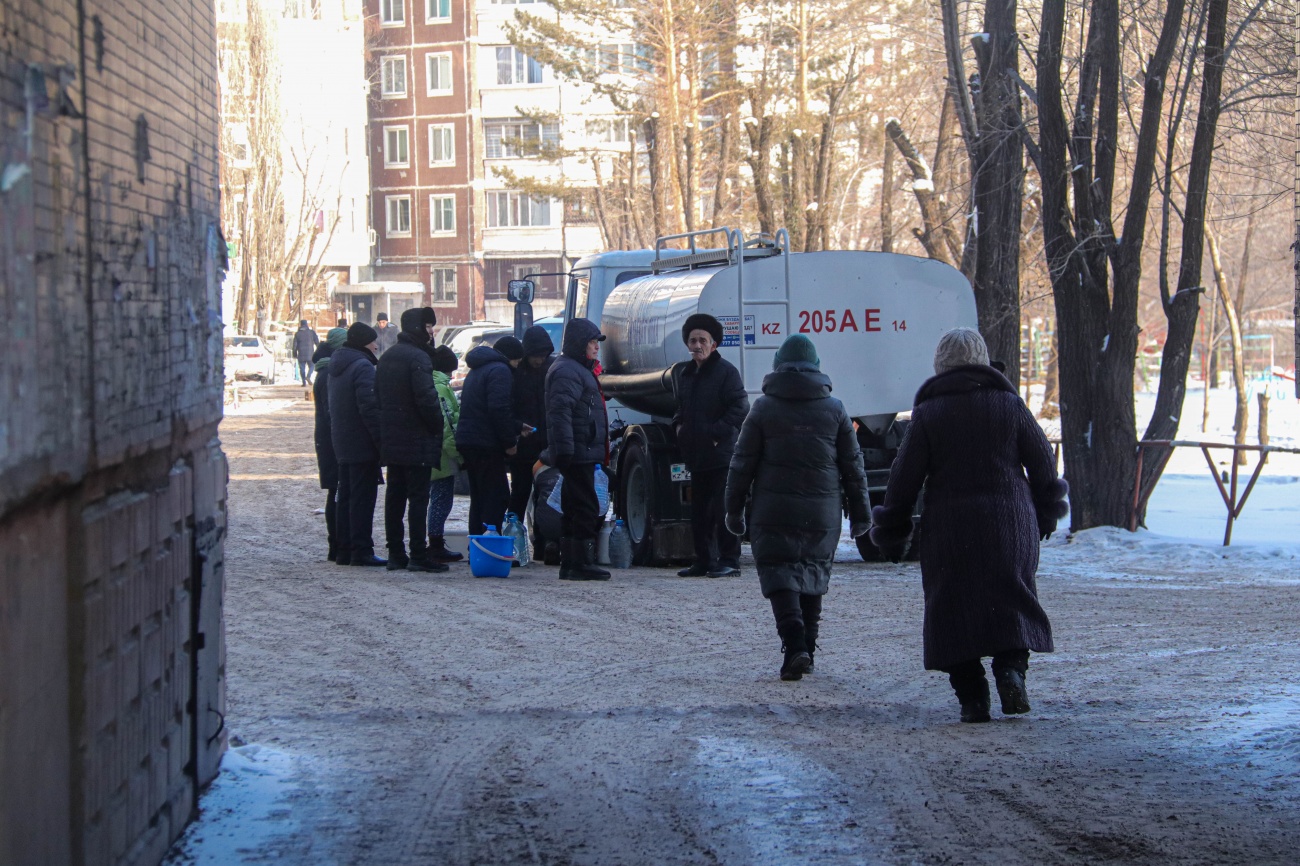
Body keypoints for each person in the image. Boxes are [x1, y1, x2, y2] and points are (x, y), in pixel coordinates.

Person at [870, 327, 1068, 723]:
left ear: (940, 365)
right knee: (1012, 596)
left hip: (951, 526)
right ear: (983, 360)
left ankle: (972, 696)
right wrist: (1046, 510)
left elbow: (904, 476)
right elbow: (1044, 460)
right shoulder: (1009, 404)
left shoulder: (929, 413)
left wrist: (892, 528)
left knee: (951, 607)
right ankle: (1011, 669)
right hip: (1010, 522)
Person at [724, 334, 870, 681]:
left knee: (780, 574)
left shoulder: (763, 409)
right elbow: (854, 467)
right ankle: (809, 648)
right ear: (816, 368)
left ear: (778, 367)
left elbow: (741, 464)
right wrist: (862, 514)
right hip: (823, 513)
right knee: (814, 573)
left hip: (772, 511)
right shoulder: (835, 410)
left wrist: (733, 509)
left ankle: (795, 646)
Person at [673, 313, 750, 578]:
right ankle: (703, 560)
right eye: (692, 340)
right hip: (697, 455)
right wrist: (679, 427)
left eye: (702, 340)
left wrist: (716, 433)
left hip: (720, 454)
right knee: (700, 513)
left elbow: (740, 407)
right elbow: (681, 407)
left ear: (714, 344)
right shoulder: (686, 373)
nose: (697, 345)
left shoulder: (726, 372)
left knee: (723, 509)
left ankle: (729, 560)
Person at [375, 307, 446, 573]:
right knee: (418, 497)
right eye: (428, 326)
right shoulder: (418, 359)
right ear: (418, 328)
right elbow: (426, 400)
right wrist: (436, 426)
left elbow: (378, 397)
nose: (431, 332)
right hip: (417, 439)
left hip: (392, 439)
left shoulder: (388, 356)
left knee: (395, 496)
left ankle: (396, 554)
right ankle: (418, 554)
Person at [542, 318, 611, 581]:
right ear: (579, 344)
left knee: (574, 505)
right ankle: (581, 562)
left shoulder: (575, 369)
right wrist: (567, 451)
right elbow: (561, 413)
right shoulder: (569, 371)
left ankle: (571, 563)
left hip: (579, 449)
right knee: (585, 506)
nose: (596, 348)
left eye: (596, 343)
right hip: (578, 451)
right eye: (592, 342)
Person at [456, 335, 530, 536]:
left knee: (479, 497)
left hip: (470, 440)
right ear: (512, 357)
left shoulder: (479, 368)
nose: (518, 365)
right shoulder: (500, 370)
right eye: (518, 360)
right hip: (486, 444)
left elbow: (482, 409)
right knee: (496, 496)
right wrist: (509, 442)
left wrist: (516, 426)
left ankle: (478, 546)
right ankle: (491, 545)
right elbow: (498, 408)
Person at [329, 322, 386, 567]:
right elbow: (369, 408)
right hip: (362, 443)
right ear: (366, 343)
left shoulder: (337, 365)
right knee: (362, 498)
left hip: (342, 441)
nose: (376, 345)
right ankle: (361, 550)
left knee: (347, 497)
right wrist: (380, 441)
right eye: (373, 341)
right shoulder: (362, 366)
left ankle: (344, 550)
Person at [509, 325, 556, 531]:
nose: (540, 360)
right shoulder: (516, 372)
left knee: (545, 494)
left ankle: (543, 540)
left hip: (547, 445)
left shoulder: (552, 368)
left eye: (543, 355)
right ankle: (513, 533)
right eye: (535, 356)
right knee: (519, 492)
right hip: (524, 447)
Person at [312, 326, 347, 560]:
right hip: (332, 440)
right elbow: (330, 412)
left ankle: (336, 545)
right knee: (337, 491)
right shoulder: (328, 374)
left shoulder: (324, 370)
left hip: (327, 439)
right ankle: (336, 545)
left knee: (336, 491)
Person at [427, 345, 465, 562]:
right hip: (441, 456)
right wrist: (458, 455)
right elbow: (448, 426)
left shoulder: (432, 382)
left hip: (433, 453)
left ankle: (435, 541)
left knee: (436, 499)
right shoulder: (441, 388)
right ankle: (435, 543)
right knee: (441, 500)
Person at [293, 319, 320, 385]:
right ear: (307, 324)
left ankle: (304, 382)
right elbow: (317, 342)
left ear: (301, 325)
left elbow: (294, 345)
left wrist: (294, 354)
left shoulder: (297, 334)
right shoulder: (311, 332)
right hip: (310, 354)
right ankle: (308, 376)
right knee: (312, 366)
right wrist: (319, 350)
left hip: (301, 354)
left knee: (302, 368)